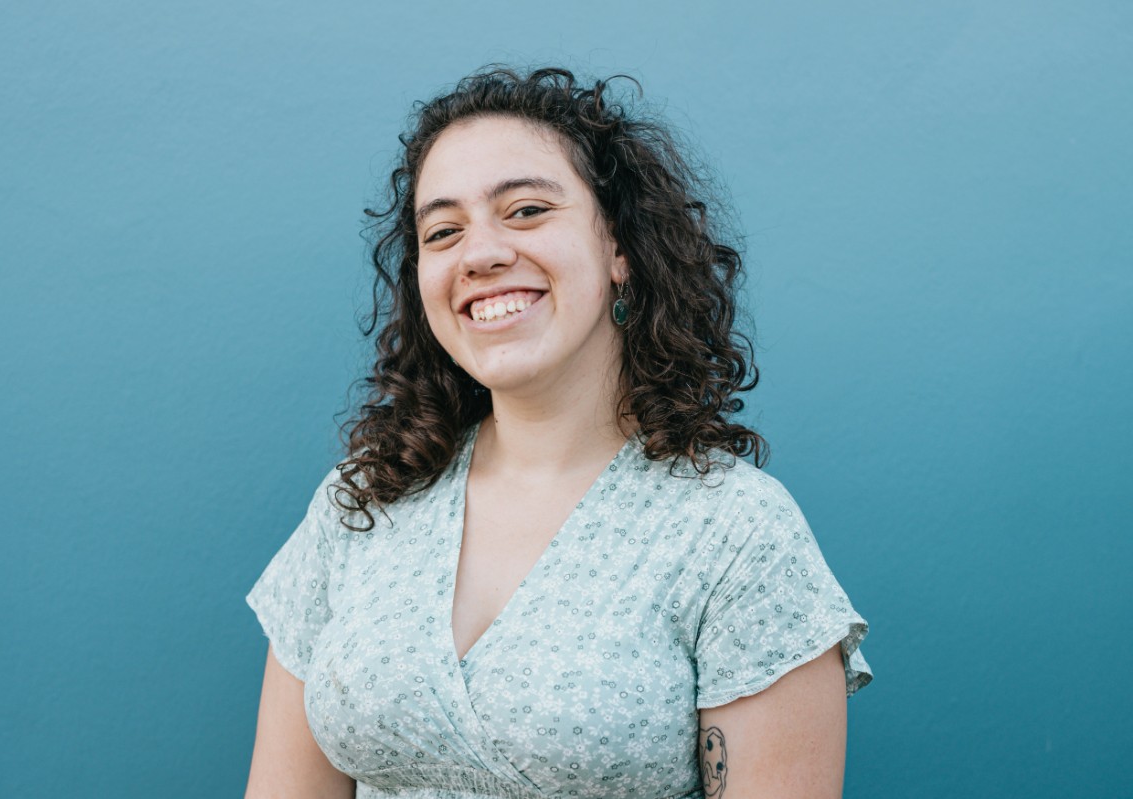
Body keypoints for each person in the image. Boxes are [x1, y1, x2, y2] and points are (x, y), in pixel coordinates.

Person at [244, 66, 872, 799]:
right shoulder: (361, 503)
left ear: (620, 248)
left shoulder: (736, 535)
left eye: (527, 210)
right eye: (442, 231)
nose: (479, 254)